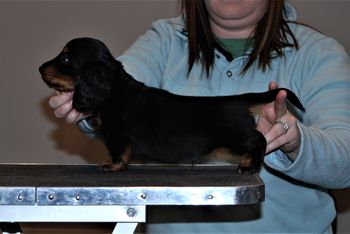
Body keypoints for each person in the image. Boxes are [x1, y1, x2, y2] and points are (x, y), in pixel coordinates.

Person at [48, 0, 350, 232]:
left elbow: (346, 161)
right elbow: (121, 91)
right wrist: (84, 103)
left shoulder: (317, 53)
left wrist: (295, 142)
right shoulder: (162, 42)